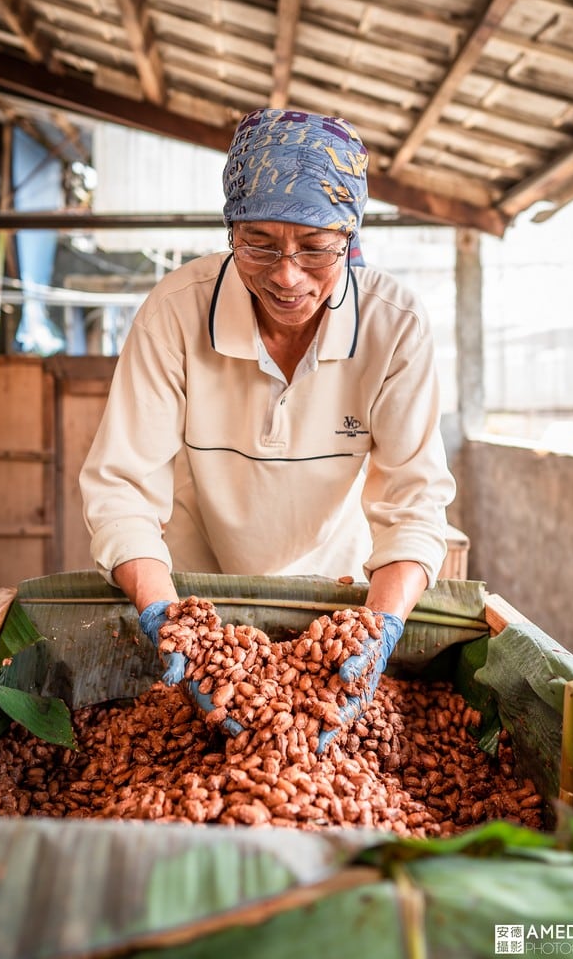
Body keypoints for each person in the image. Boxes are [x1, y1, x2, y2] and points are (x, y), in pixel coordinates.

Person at [79, 108, 456, 744]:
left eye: (315, 247)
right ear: (230, 232)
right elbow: (121, 487)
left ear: (350, 238)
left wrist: (379, 628)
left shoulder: (395, 326)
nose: (286, 274)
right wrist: (172, 621)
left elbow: (415, 505)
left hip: (330, 599)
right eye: (259, 243)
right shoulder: (176, 312)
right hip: (196, 589)